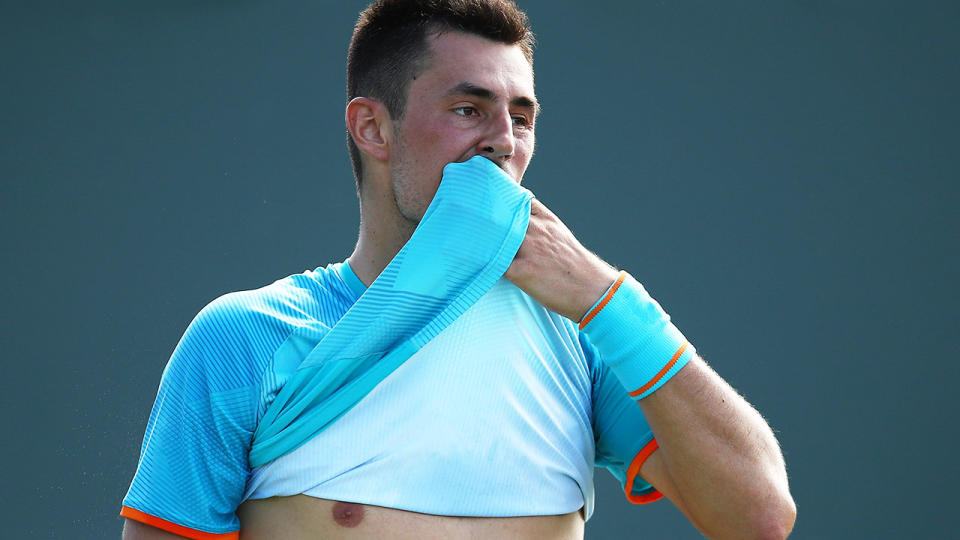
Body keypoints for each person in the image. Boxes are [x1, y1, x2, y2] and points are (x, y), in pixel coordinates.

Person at [121, 1, 796, 538]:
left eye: (521, 117)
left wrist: (607, 297)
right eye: (468, 109)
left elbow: (759, 519)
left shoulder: (586, 339)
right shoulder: (244, 340)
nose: (504, 139)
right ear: (372, 129)